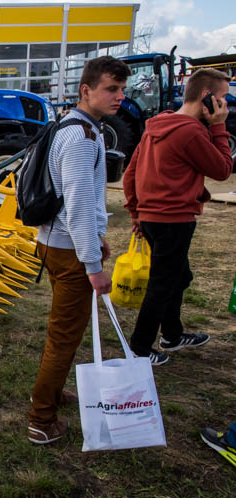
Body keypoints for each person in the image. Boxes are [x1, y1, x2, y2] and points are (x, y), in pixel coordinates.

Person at [27, 56, 129, 445]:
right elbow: (79, 206)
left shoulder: (72, 127)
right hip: (69, 251)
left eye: (122, 90)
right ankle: (41, 420)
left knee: (63, 333)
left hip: (55, 243)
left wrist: (96, 238)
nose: (119, 96)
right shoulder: (81, 138)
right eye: (111, 89)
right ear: (86, 90)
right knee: (64, 337)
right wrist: (92, 265)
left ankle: (50, 395)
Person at [123, 68, 232, 364]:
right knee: (162, 285)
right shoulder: (191, 131)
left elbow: (131, 172)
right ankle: (140, 350)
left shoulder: (159, 124)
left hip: (154, 218)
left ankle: (172, 335)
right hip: (174, 219)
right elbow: (223, 169)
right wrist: (219, 126)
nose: (225, 105)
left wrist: (136, 212)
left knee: (179, 277)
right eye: (222, 98)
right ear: (206, 97)